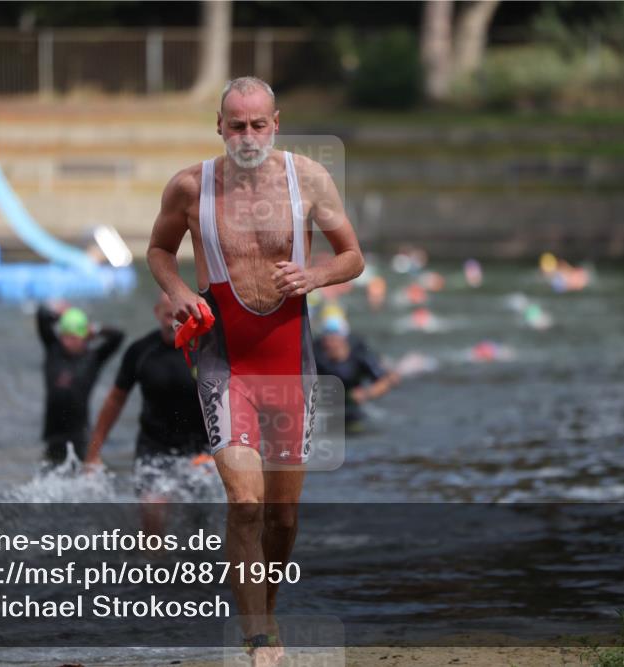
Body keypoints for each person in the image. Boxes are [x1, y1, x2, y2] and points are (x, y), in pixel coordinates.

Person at [146, 76, 363, 665]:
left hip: (291, 364)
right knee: (245, 502)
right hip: (224, 363)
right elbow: (159, 251)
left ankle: (260, 608)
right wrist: (177, 291)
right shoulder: (191, 186)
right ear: (219, 126)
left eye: (258, 124)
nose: (247, 135)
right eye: (236, 125)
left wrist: (315, 275)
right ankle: (259, 637)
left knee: (282, 517)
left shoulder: (308, 179)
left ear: (275, 123)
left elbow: (354, 256)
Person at [85, 293, 214, 532]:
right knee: (153, 508)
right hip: (153, 447)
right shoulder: (141, 351)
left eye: (180, 315)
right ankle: (153, 563)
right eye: (168, 314)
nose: (173, 320)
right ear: (157, 314)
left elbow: (227, 398)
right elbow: (115, 400)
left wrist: (219, 451)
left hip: (200, 449)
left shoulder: (205, 349)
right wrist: (94, 451)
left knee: (198, 521)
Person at [36, 301, 124, 470]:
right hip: (52, 434)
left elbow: (118, 336)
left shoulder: (93, 358)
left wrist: (95, 330)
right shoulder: (53, 350)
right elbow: (41, 316)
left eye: (74, 337)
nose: (68, 342)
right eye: (65, 336)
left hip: (79, 434)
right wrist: (60, 313)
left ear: (84, 337)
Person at [313, 315, 399, 432]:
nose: (330, 343)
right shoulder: (315, 353)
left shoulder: (359, 353)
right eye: (327, 338)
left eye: (334, 338)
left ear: (344, 339)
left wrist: (366, 394)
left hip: (351, 400)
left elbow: (385, 380)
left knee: (355, 427)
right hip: (326, 400)